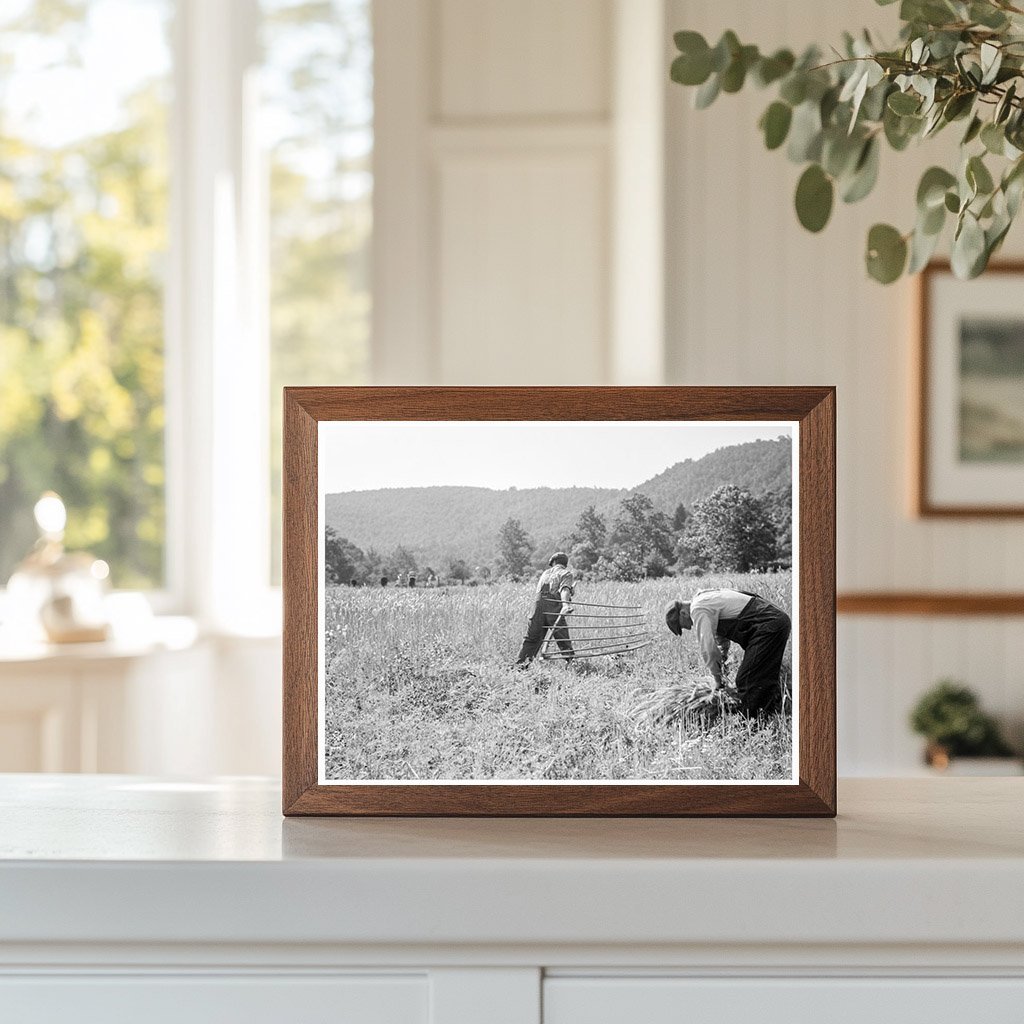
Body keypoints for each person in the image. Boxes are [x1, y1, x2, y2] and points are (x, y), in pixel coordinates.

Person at [664, 588, 790, 716]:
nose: (689, 627)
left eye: (683, 626)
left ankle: (753, 721)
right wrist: (722, 666)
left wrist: (717, 680)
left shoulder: (698, 608)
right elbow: (720, 642)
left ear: (683, 613)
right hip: (774, 621)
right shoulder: (705, 598)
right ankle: (770, 711)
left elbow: (708, 649)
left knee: (746, 678)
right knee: (761, 673)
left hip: (768, 625)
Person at [515, 552, 575, 666]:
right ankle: (571, 662)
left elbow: (553, 588)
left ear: (553, 562)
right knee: (561, 635)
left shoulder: (545, 573)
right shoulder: (566, 573)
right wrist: (566, 604)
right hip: (553, 606)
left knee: (532, 638)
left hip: (537, 608)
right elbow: (564, 590)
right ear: (565, 564)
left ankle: (521, 665)